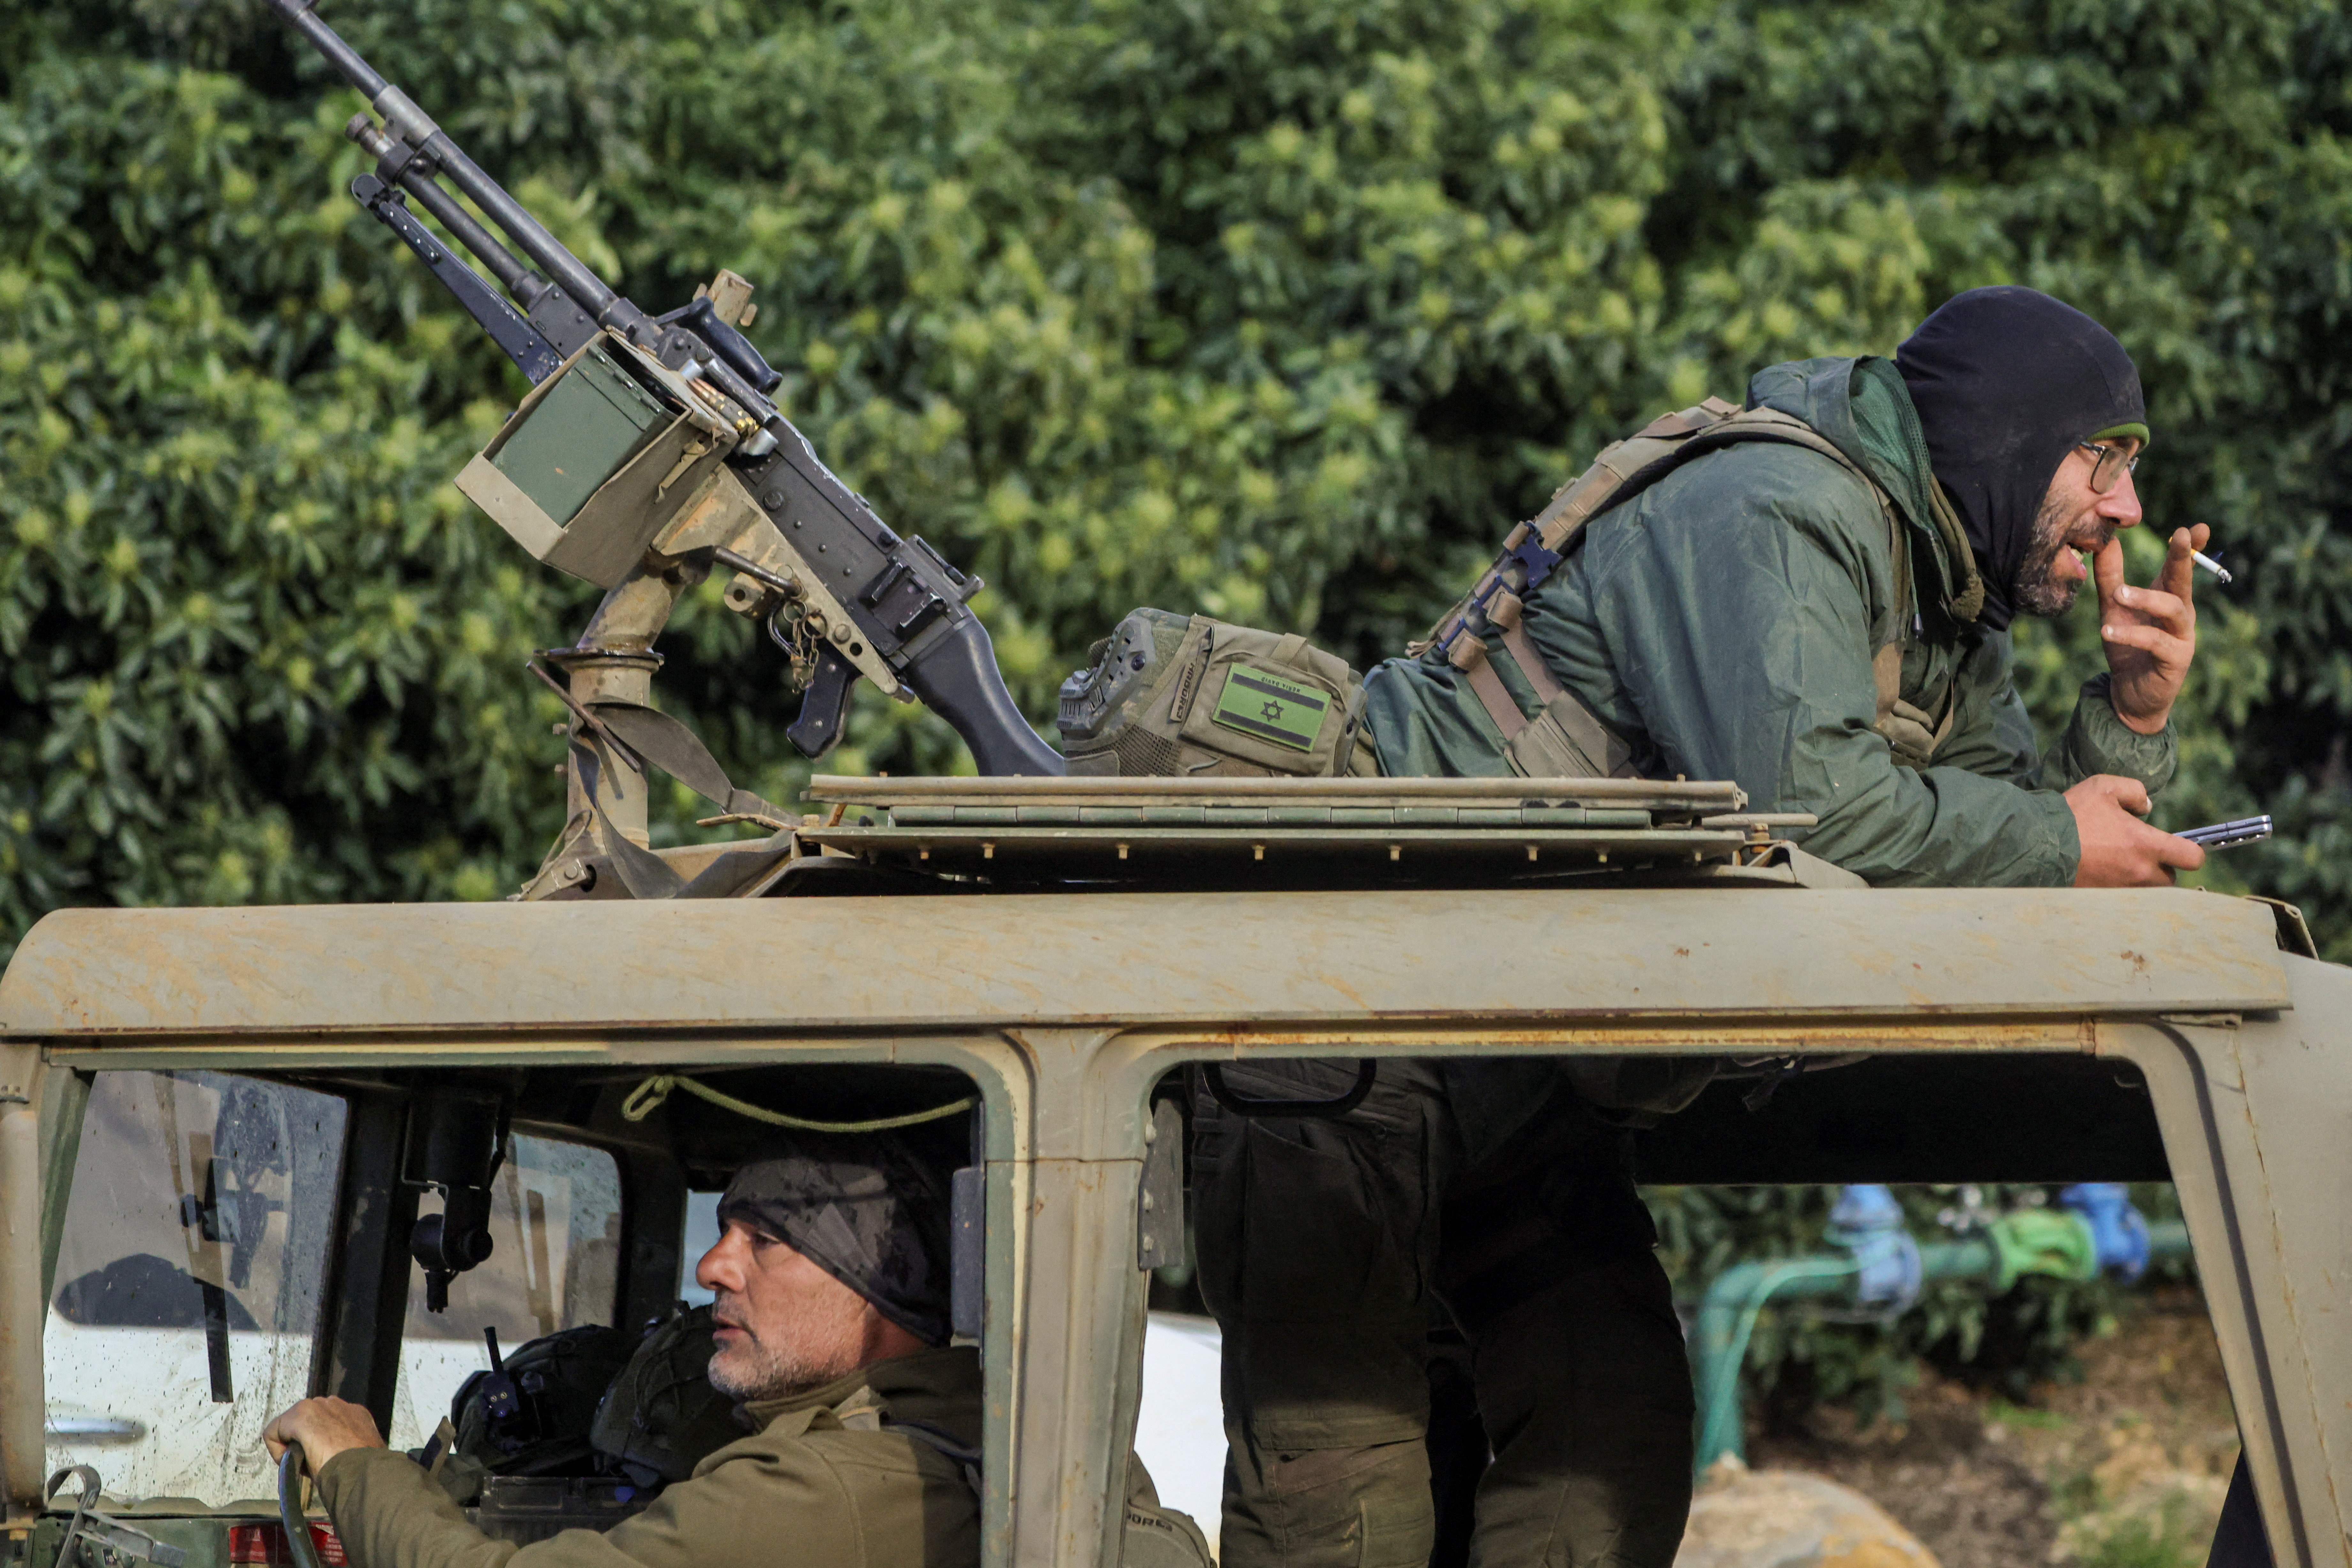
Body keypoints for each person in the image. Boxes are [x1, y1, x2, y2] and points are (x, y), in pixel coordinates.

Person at [1195, 287, 2207, 1568]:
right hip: (1348, 1032)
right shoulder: (1772, 509)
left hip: (1515, 1066)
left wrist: (2123, 716)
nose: (2121, 507)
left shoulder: (1942, 595)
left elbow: (1993, 864)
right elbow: (1817, 813)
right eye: (2099, 458)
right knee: (1348, 1509)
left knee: (1601, 1451)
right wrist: (2060, 840)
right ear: (2006, 439)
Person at [264, 1130, 980, 1568]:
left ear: (881, 1284)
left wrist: (356, 1462)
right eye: (726, 1230)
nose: (712, 1268)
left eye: (766, 1240)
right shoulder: (948, 1434)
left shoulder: (827, 1484)